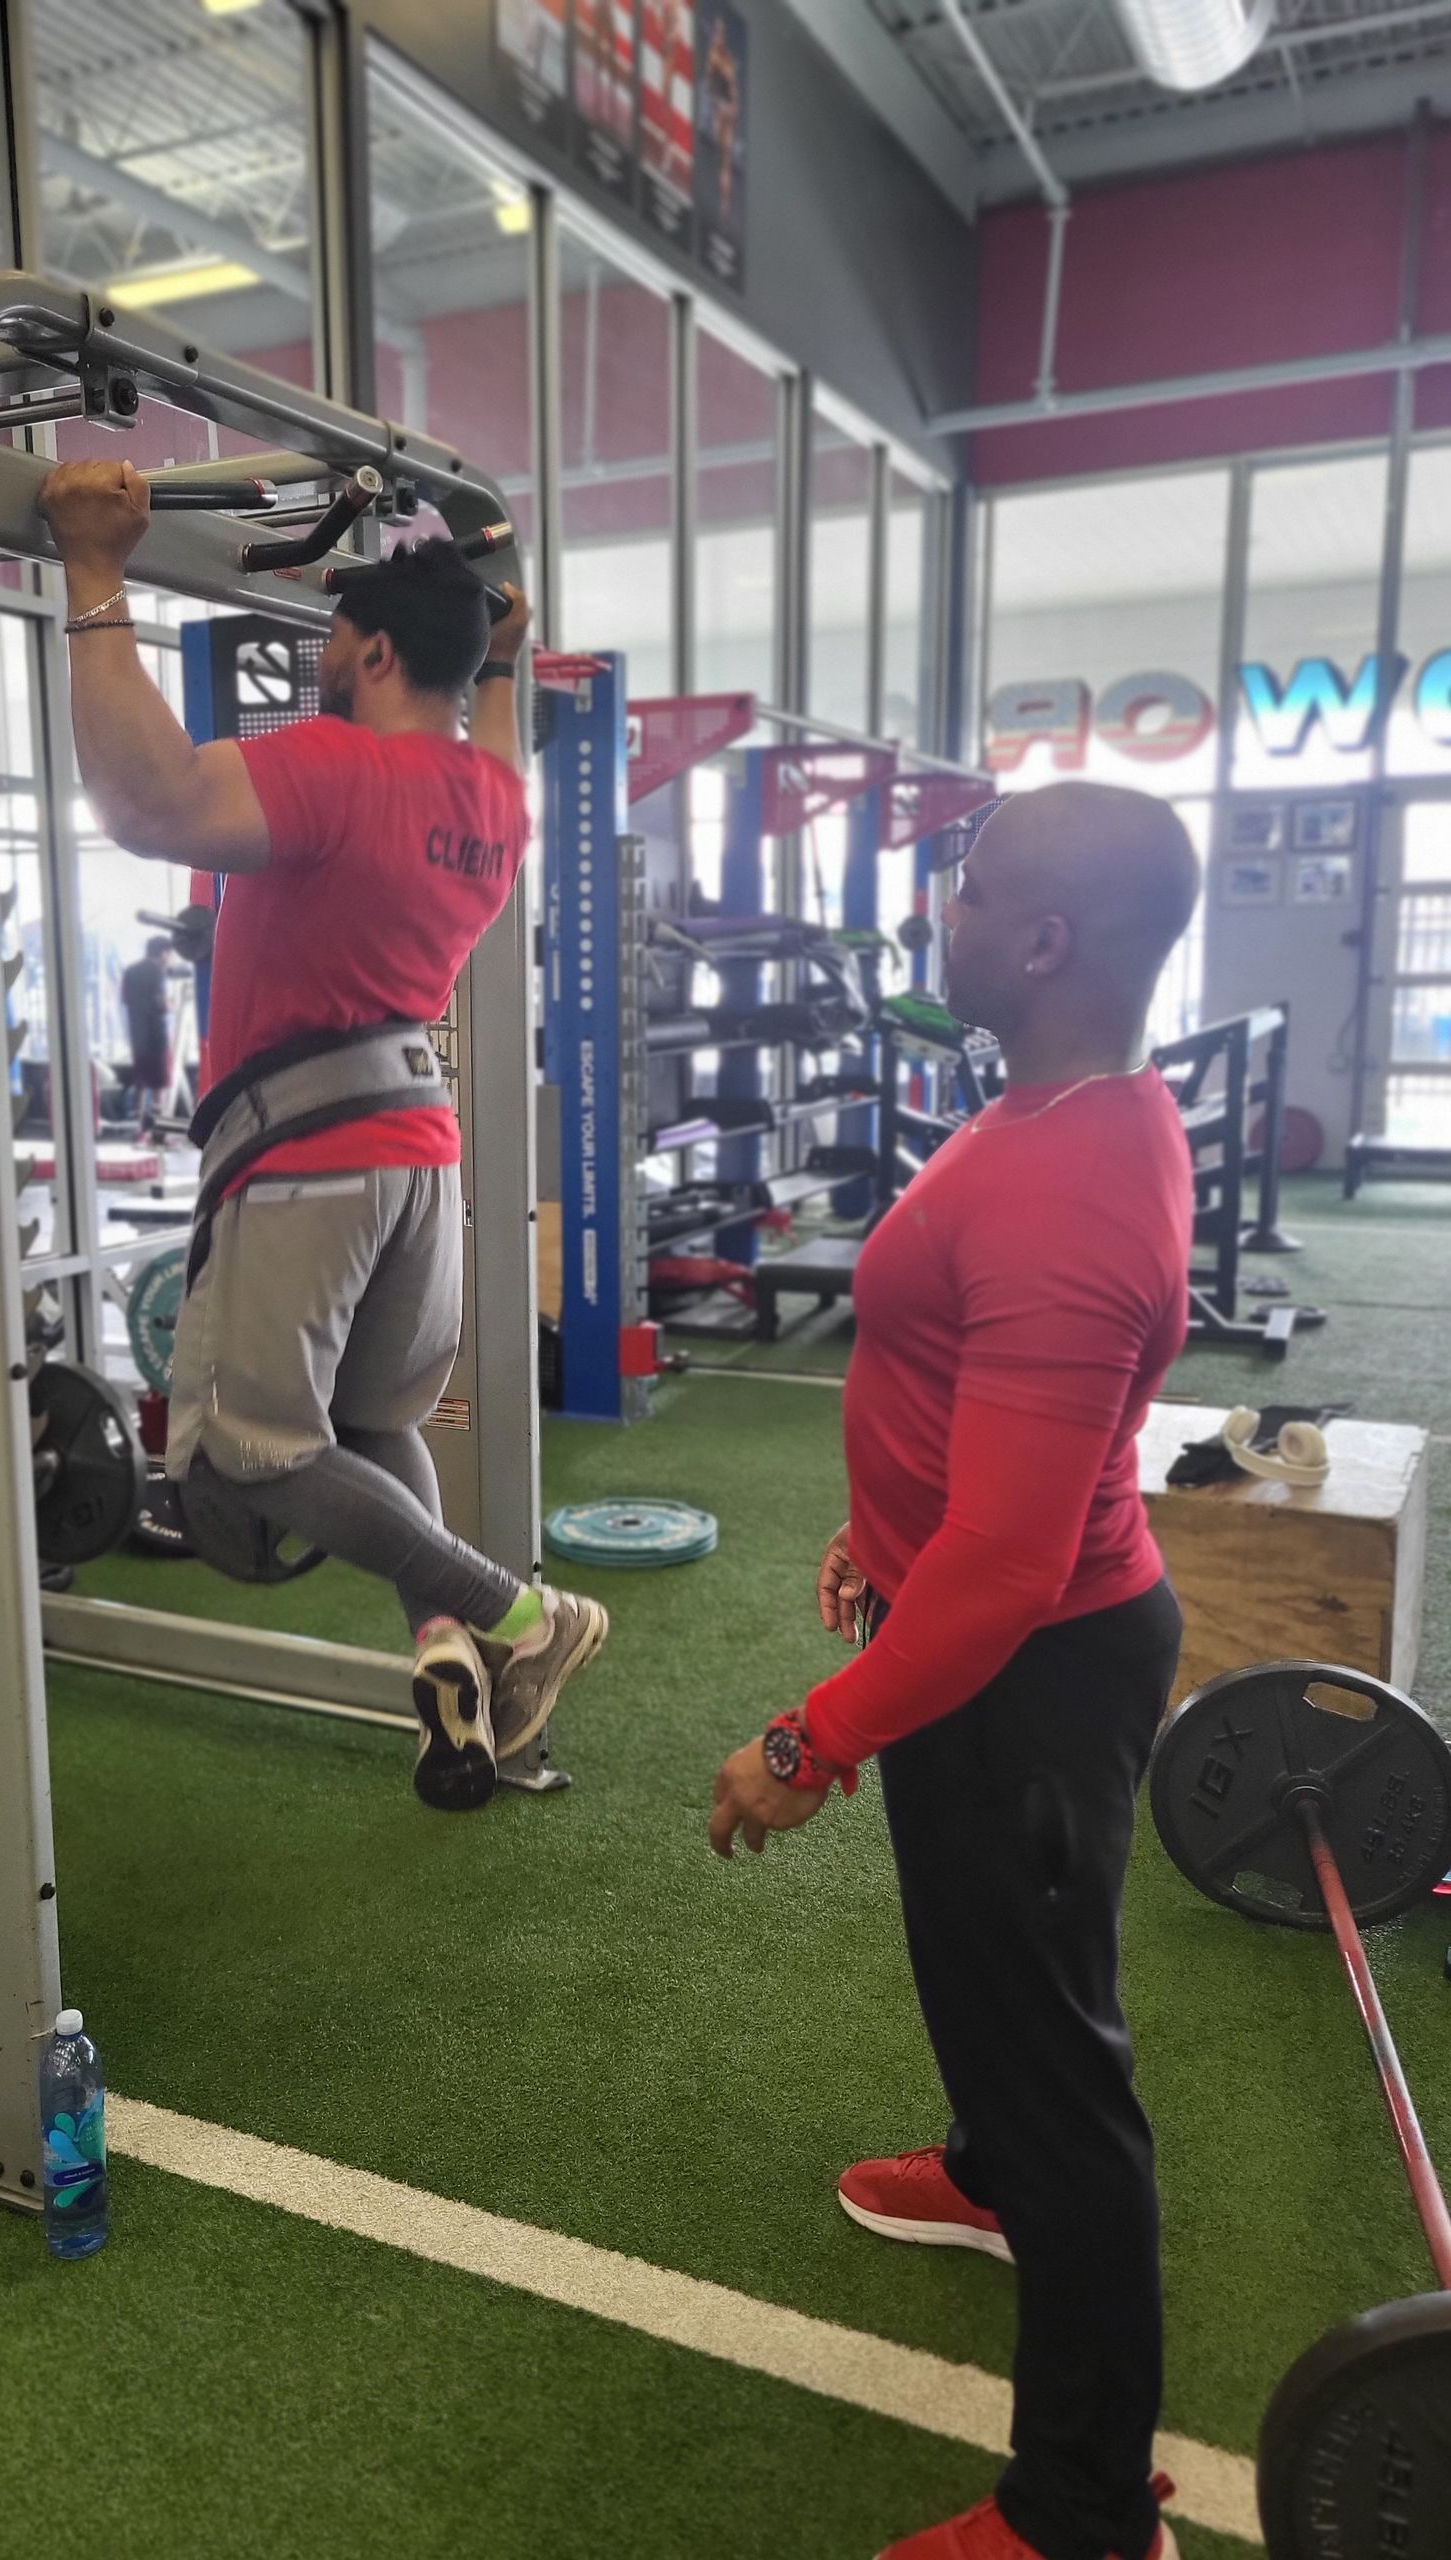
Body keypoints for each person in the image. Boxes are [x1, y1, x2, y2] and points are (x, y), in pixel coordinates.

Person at [709, 783, 1202, 2560]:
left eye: (973, 897)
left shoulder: (1074, 1175)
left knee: (1065, 2074)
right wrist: (885, 1531)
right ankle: (988, 2180)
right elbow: (986, 1451)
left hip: (1029, 1673)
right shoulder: (1063, 1104)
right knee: (1007, 2003)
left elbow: (1005, 1561)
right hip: (1001, 1638)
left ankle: (1082, 2512)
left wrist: (810, 1736)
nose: (946, 918)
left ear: (1047, 940)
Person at [39, 458, 607, 1813]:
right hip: (416, 1154)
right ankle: (449, 1658)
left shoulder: (334, 769)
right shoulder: (492, 805)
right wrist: (498, 667)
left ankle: (520, 1616)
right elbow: (489, 729)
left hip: (312, 1162)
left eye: (332, 643)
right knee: (372, 1420)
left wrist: (96, 578)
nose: (322, 662)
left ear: (366, 650)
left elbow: (150, 804)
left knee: (247, 1450)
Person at [119, 932, 175, 1135]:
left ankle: (137, 1130)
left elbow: (125, 1000)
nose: (170, 959)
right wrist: (170, 1006)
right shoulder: (157, 972)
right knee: (159, 1085)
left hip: (138, 1036)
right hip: (156, 1037)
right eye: (169, 954)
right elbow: (161, 1004)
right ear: (162, 953)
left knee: (141, 1082)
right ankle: (158, 1131)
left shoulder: (130, 971)